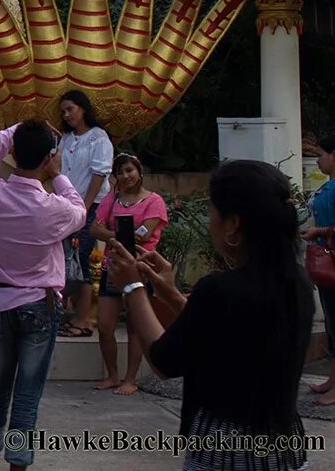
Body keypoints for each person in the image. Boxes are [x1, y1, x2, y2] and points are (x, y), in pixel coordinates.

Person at [107, 160, 315, 471]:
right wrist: (174, 297)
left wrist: (134, 287)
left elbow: (164, 360)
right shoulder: (298, 282)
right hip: (284, 447)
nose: (210, 221)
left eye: (212, 212)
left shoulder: (219, 288)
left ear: (233, 224)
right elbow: (230, 329)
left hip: (224, 449)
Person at [0, 120, 86, 471]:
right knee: (27, 393)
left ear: (15, 153)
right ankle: (18, 463)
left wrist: (17, 128)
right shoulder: (51, 208)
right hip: (40, 304)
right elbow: (80, 210)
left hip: (2, 302)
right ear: (48, 159)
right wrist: (58, 174)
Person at [90, 152, 166, 395]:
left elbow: (144, 234)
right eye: (120, 172)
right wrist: (119, 236)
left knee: (135, 326)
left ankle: (131, 379)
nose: (125, 176)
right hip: (112, 267)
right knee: (104, 324)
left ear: (139, 172)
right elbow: (94, 228)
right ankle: (112, 375)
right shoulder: (111, 200)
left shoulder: (154, 201)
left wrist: (111, 234)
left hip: (140, 267)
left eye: (130, 170)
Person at [56, 90, 113, 339]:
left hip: (88, 210)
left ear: (83, 108)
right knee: (68, 260)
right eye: (63, 112)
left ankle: (84, 320)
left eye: (70, 109)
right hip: (66, 208)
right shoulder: (66, 139)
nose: (67, 115)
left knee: (83, 260)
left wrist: (85, 206)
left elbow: (99, 175)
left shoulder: (99, 138)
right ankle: (68, 313)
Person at [301, 133, 335, 406]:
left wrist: (320, 231)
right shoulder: (329, 185)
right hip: (325, 259)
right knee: (332, 320)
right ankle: (332, 379)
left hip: (331, 257)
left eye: (321, 155)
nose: (319, 161)